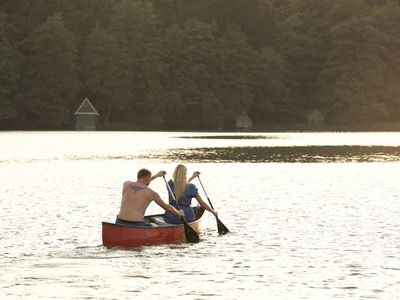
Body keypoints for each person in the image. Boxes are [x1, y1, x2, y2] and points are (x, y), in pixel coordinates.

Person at [116, 168, 184, 227]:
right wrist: (178, 213)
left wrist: (156, 175)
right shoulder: (152, 193)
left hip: (120, 222)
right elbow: (167, 207)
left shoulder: (126, 184)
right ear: (147, 178)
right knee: (155, 225)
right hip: (136, 224)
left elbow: (142, 182)